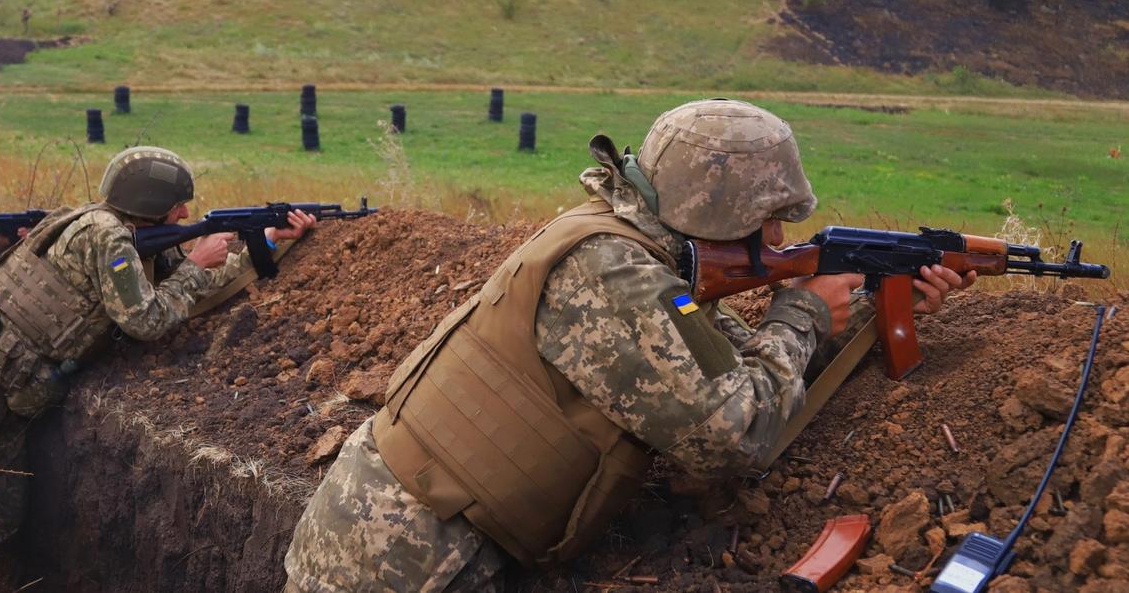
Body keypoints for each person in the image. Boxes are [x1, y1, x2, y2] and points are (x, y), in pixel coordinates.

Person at [282, 99, 975, 591]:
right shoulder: (616, 275)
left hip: (409, 538)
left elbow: (723, 360)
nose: (774, 242)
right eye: (766, 221)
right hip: (397, 560)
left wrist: (860, 313)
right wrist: (799, 313)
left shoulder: (625, 244)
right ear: (717, 209)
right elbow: (734, 436)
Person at [0, 146, 319, 588]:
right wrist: (195, 263)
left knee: (1, 515)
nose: (185, 211)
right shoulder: (107, 236)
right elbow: (145, 320)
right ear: (150, 203)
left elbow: (197, 286)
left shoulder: (125, 230)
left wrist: (268, 239)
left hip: (16, 383)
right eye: (178, 203)